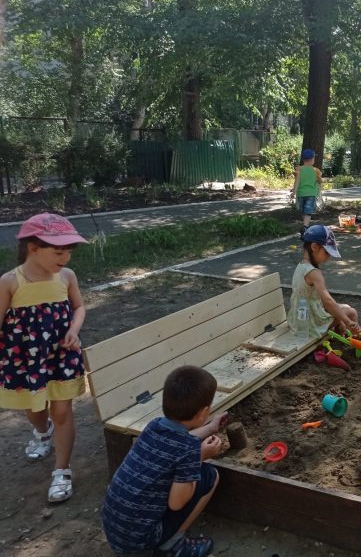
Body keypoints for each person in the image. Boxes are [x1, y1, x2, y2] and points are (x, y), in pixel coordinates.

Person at [0, 213, 87, 503]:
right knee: (34, 409)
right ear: (33, 248)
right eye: (59, 252)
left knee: (62, 411)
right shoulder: (10, 281)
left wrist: (74, 330)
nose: (66, 258)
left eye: (69, 251)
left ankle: (62, 470)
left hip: (62, 353)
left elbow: (79, 307)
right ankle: (42, 431)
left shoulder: (67, 277)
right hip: (26, 360)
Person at [102, 365, 227, 557]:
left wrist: (210, 428)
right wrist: (198, 457)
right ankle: (173, 546)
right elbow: (176, 503)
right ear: (202, 413)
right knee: (210, 475)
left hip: (114, 528)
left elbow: (177, 442)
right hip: (140, 541)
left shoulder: (155, 426)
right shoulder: (189, 450)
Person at [288, 224, 359, 337]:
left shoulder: (301, 266)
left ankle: (340, 334)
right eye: (327, 252)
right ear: (314, 247)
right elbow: (328, 302)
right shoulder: (314, 273)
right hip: (310, 324)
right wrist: (347, 321)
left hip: (299, 318)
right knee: (351, 312)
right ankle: (355, 340)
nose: (329, 257)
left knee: (345, 307)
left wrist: (340, 318)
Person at [289, 148, 323, 237]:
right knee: (308, 212)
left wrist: (294, 191)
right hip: (311, 194)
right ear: (312, 160)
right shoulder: (316, 170)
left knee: (303, 211)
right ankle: (305, 227)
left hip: (301, 194)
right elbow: (320, 181)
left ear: (303, 159)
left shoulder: (299, 169)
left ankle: (305, 225)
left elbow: (297, 181)